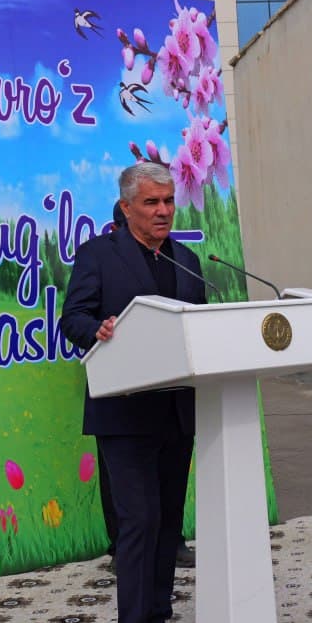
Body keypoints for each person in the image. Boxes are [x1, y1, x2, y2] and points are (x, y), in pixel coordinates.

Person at [59, 162, 205, 623]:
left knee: (168, 522)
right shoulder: (99, 254)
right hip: (124, 414)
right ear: (126, 208)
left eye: (168, 201)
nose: (163, 210)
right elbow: (71, 318)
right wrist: (94, 328)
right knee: (139, 523)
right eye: (151, 203)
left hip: (176, 411)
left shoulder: (187, 261)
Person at [97, 201, 195, 571]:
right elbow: (79, 319)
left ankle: (172, 542)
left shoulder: (179, 260)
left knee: (167, 480)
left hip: (172, 394)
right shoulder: (103, 262)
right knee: (124, 485)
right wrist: (100, 328)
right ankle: (121, 546)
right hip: (121, 392)